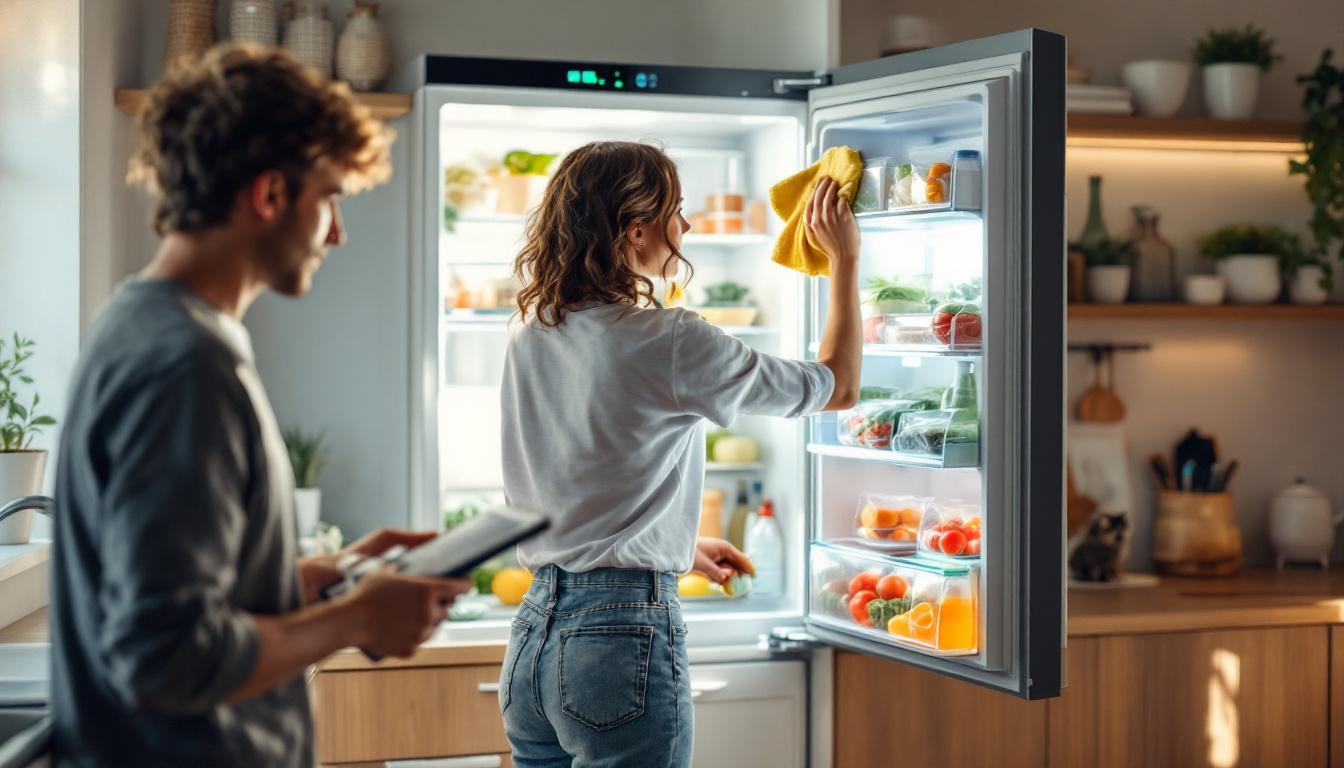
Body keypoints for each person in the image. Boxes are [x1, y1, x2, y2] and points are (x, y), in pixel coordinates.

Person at [49, 44, 467, 767]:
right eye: (329, 198)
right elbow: (164, 656)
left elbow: (180, 595)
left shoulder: (143, 322)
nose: (336, 233)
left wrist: (322, 577)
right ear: (270, 195)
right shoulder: (185, 364)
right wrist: (355, 619)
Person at [497, 141, 862, 767]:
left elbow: (578, 473)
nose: (686, 227)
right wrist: (845, 262)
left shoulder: (531, 332)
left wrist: (677, 546)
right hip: (617, 639)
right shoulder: (671, 338)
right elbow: (838, 386)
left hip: (533, 637)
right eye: (676, 211)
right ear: (636, 230)